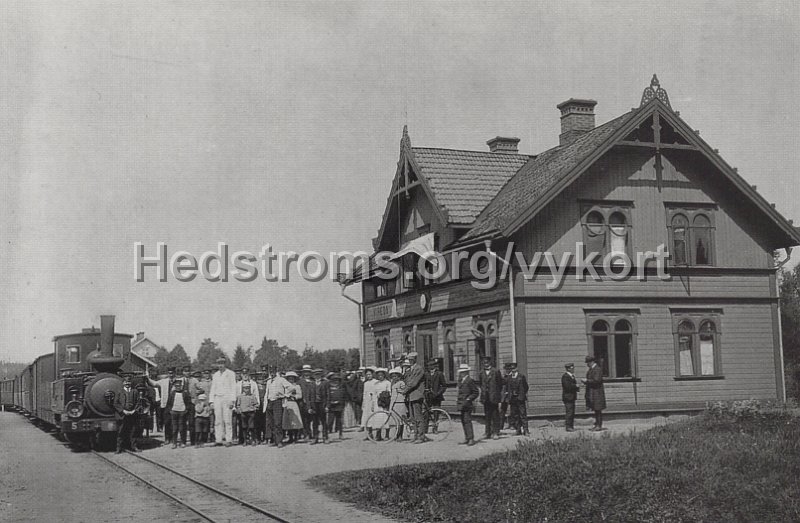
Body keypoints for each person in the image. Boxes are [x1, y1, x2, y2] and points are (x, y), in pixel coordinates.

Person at [209, 357, 237, 446]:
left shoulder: (230, 374)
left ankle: (229, 439)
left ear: (225, 364)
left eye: (222, 363)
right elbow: (213, 388)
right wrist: (211, 401)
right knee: (218, 420)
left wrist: (232, 400)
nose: (220, 365)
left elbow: (233, 387)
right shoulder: (215, 375)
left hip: (227, 398)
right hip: (217, 398)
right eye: (219, 364)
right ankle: (219, 440)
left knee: (227, 420)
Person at [402, 353, 429, 444]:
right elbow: (407, 381)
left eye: (411, 359)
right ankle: (416, 435)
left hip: (417, 395)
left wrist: (405, 390)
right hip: (411, 396)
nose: (410, 361)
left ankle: (421, 436)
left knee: (418, 416)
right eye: (409, 359)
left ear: (414, 359)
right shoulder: (410, 369)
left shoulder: (418, 369)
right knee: (413, 418)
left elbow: (414, 383)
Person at [477, 356, 504, 440]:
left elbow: (500, 383)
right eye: (484, 363)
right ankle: (487, 432)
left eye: (487, 362)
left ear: (490, 363)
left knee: (495, 415)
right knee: (487, 415)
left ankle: (496, 432)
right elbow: (481, 384)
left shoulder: (496, 371)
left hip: (494, 396)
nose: (485, 364)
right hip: (485, 397)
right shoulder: (481, 373)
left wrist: (496, 393)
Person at [147, 367, 176, 442]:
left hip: (175, 405)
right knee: (166, 422)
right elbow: (154, 383)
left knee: (174, 423)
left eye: (172, 373)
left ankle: (173, 438)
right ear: (168, 374)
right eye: (169, 373)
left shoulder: (178, 381)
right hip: (166, 405)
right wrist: (147, 378)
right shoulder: (164, 381)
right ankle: (167, 438)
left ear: (174, 373)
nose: (171, 375)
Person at [113, 375, 140, 453]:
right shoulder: (119, 392)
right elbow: (115, 403)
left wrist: (134, 410)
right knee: (121, 432)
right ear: (123, 383)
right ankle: (119, 448)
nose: (127, 383)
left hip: (132, 415)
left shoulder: (135, 391)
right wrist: (123, 411)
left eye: (128, 382)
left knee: (133, 431)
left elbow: (138, 402)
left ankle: (134, 447)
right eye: (125, 382)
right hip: (122, 415)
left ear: (131, 383)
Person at [265, 367, 290, 448]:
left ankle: (279, 441)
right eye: (270, 371)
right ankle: (274, 440)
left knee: (278, 422)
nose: (272, 373)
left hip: (277, 402)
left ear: (276, 372)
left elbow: (291, 387)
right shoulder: (268, 381)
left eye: (273, 371)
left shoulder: (281, 380)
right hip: (269, 402)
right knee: (270, 422)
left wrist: (285, 395)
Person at [504, 362, 529, 436]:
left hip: (520, 398)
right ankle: (518, 430)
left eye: (514, 368)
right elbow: (507, 387)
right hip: (512, 399)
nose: (513, 370)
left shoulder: (521, 377)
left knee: (523, 414)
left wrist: (521, 394)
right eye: (512, 369)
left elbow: (526, 387)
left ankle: (525, 430)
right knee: (515, 415)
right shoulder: (509, 378)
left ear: (517, 368)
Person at [456, 364, 479, 446]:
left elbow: (476, 392)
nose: (461, 373)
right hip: (461, 404)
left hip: (467, 404)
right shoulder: (461, 380)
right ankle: (467, 437)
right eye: (461, 372)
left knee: (467, 421)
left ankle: (471, 438)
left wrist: (469, 399)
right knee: (463, 421)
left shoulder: (470, 380)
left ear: (466, 372)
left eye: (463, 372)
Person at [582, 356, 606, 431]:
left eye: (588, 363)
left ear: (591, 362)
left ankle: (599, 425)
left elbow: (597, 380)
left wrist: (587, 381)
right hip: (593, 392)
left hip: (597, 393)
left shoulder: (597, 369)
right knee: (596, 409)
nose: (587, 364)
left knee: (598, 409)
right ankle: (597, 424)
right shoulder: (592, 370)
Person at [166, 377, 192, 448]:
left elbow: (188, 403)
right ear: (174, 386)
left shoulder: (185, 393)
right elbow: (168, 403)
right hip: (174, 412)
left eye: (179, 386)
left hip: (182, 412)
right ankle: (174, 443)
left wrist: (186, 410)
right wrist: (170, 411)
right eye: (176, 386)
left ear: (181, 386)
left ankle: (183, 442)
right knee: (174, 429)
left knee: (182, 428)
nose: (178, 387)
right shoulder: (172, 393)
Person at [307, 368, 330, 444]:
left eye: (319, 374)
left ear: (321, 375)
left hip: (322, 404)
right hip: (314, 405)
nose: (317, 376)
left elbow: (328, 395)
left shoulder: (325, 383)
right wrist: (309, 407)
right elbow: (308, 397)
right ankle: (315, 437)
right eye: (316, 374)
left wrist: (327, 406)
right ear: (314, 375)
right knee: (315, 422)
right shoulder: (311, 384)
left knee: (324, 422)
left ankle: (325, 437)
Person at [370, 368, 392, 441]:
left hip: (385, 402)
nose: (380, 377)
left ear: (384, 375)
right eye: (378, 375)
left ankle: (387, 434)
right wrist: (373, 404)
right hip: (377, 402)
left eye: (381, 375)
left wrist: (383, 396)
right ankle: (378, 435)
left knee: (385, 418)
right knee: (378, 419)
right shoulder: (376, 384)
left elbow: (389, 392)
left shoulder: (387, 383)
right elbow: (373, 394)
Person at [282, 371, 304, 443]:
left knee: (295, 420)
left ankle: (295, 437)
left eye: (292, 378)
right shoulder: (285, 386)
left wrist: (294, 396)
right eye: (289, 378)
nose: (291, 380)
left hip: (293, 403)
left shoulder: (296, 386)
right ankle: (290, 437)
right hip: (286, 403)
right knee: (288, 421)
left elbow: (300, 395)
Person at [425, 359, 447, 433]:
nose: (429, 367)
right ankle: (425, 428)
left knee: (436, 413)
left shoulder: (439, 374)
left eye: (430, 365)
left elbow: (444, 386)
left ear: (434, 366)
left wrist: (438, 393)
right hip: (428, 396)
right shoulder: (426, 374)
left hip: (437, 396)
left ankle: (435, 428)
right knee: (426, 412)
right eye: (428, 366)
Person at [235, 381, 259, 446]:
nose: (247, 390)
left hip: (251, 413)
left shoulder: (252, 396)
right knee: (244, 427)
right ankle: (245, 440)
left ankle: (253, 440)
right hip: (243, 413)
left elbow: (256, 404)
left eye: (248, 388)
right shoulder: (240, 396)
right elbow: (238, 405)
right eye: (245, 388)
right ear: (243, 389)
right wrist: (239, 410)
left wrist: (254, 409)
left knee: (251, 427)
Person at [388, 367, 407, 442]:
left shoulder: (401, 383)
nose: (394, 378)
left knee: (400, 420)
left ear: (399, 376)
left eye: (396, 376)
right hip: (394, 403)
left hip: (400, 402)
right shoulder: (392, 383)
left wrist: (401, 391)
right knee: (396, 420)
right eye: (392, 376)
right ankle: (397, 434)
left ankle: (400, 436)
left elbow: (405, 391)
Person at [326, 373, 347, 440]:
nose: (335, 381)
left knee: (339, 421)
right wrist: (329, 403)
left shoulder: (341, 388)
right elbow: (327, 397)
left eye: (337, 380)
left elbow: (343, 397)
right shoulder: (328, 388)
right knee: (330, 420)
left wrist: (341, 403)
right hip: (331, 406)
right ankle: (328, 433)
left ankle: (340, 433)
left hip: (339, 406)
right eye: (334, 380)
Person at [561, 363, 579, 432]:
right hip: (568, 397)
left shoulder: (572, 376)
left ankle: (571, 426)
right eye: (572, 368)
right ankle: (568, 427)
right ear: (568, 369)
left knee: (571, 412)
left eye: (573, 368)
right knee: (569, 412)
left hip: (572, 397)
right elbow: (567, 386)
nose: (573, 369)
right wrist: (575, 386)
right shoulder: (565, 377)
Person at [298, 365, 315, 440]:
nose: (307, 374)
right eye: (305, 372)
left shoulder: (313, 381)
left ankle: (314, 433)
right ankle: (306, 434)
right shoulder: (300, 381)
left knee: (313, 419)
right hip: (303, 403)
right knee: (305, 419)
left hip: (313, 402)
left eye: (308, 372)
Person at [360, 367, 376, 438]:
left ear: (372, 374)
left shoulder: (375, 382)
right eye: (367, 375)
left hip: (373, 400)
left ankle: (372, 433)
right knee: (366, 417)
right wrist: (363, 403)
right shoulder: (365, 383)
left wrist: (373, 401)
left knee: (372, 417)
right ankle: (368, 434)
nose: (369, 376)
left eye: (370, 374)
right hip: (367, 401)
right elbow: (364, 393)